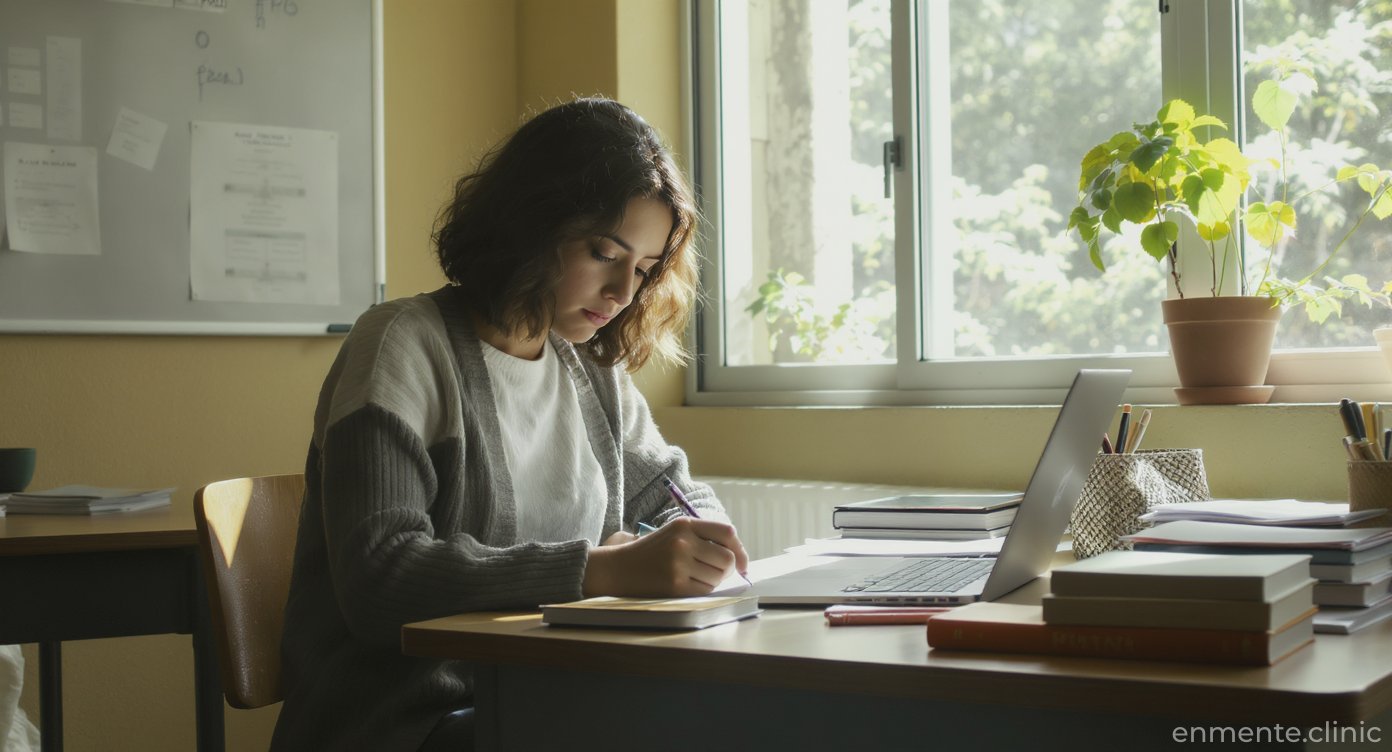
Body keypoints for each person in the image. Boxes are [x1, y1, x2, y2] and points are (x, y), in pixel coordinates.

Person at [270, 97, 750, 752]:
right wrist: (600, 571)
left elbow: (675, 500)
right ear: (532, 222)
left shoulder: (591, 369)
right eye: (603, 252)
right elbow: (379, 579)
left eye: (642, 270)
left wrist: (687, 548)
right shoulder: (399, 348)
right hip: (406, 722)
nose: (622, 293)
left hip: (545, 696)